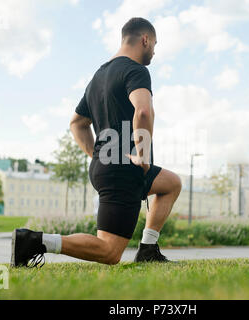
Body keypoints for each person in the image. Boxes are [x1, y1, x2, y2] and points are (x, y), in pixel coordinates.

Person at [11, 17, 182, 268]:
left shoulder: (98, 77)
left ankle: (147, 248)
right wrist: (142, 153)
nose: (155, 51)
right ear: (145, 39)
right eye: (155, 44)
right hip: (124, 169)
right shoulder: (136, 70)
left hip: (112, 165)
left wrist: (98, 155)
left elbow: (77, 123)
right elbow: (144, 111)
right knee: (109, 251)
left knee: (172, 183)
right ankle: (34, 241)